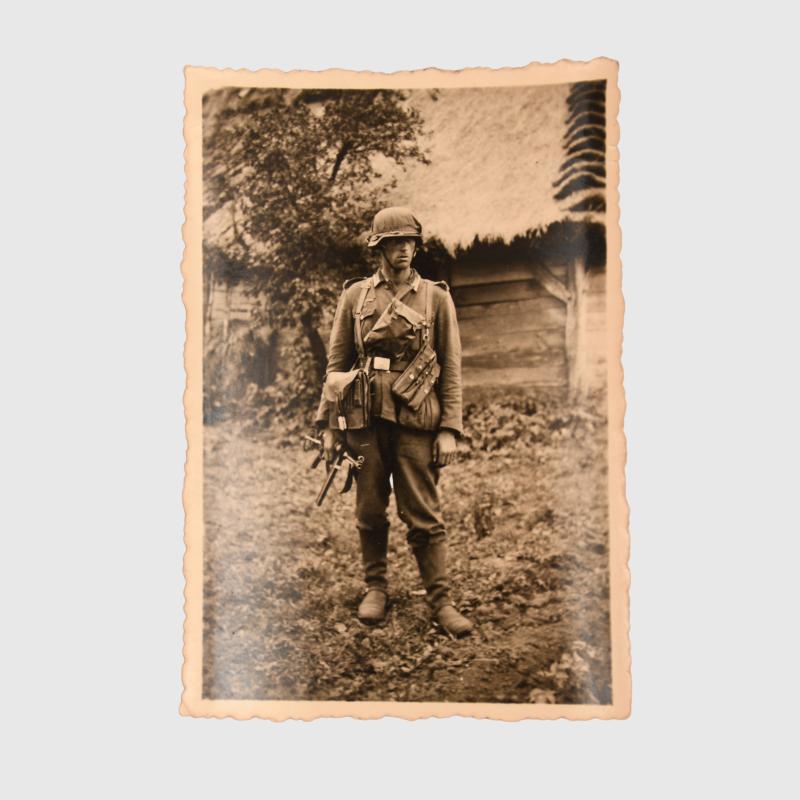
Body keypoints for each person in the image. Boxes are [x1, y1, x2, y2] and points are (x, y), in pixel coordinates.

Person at [314, 206, 473, 637]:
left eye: (409, 242)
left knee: (423, 513)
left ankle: (441, 601)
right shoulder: (356, 297)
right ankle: (376, 588)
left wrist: (449, 429)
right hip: (364, 419)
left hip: (416, 419)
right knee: (369, 509)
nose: (403, 250)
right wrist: (329, 426)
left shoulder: (436, 298)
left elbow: (452, 367)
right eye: (394, 242)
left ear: (417, 246)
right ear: (379, 247)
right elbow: (337, 366)